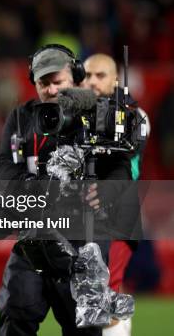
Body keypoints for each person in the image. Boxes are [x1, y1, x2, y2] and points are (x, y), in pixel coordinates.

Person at [0, 44, 132, 336]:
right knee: (16, 311)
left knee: (82, 324)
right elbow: (5, 168)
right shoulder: (21, 118)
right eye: (44, 83)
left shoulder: (97, 115)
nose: (52, 90)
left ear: (76, 78)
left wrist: (105, 191)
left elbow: (121, 167)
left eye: (59, 81)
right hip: (35, 236)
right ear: (34, 83)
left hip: (86, 236)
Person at [82, 53, 149, 336]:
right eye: (87, 76)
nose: (93, 82)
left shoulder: (135, 116)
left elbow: (130, 169)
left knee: (104, 292)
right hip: (83, 217)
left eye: (101, 75)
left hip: (117, 217)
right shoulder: (76, 115)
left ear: (116, 80)